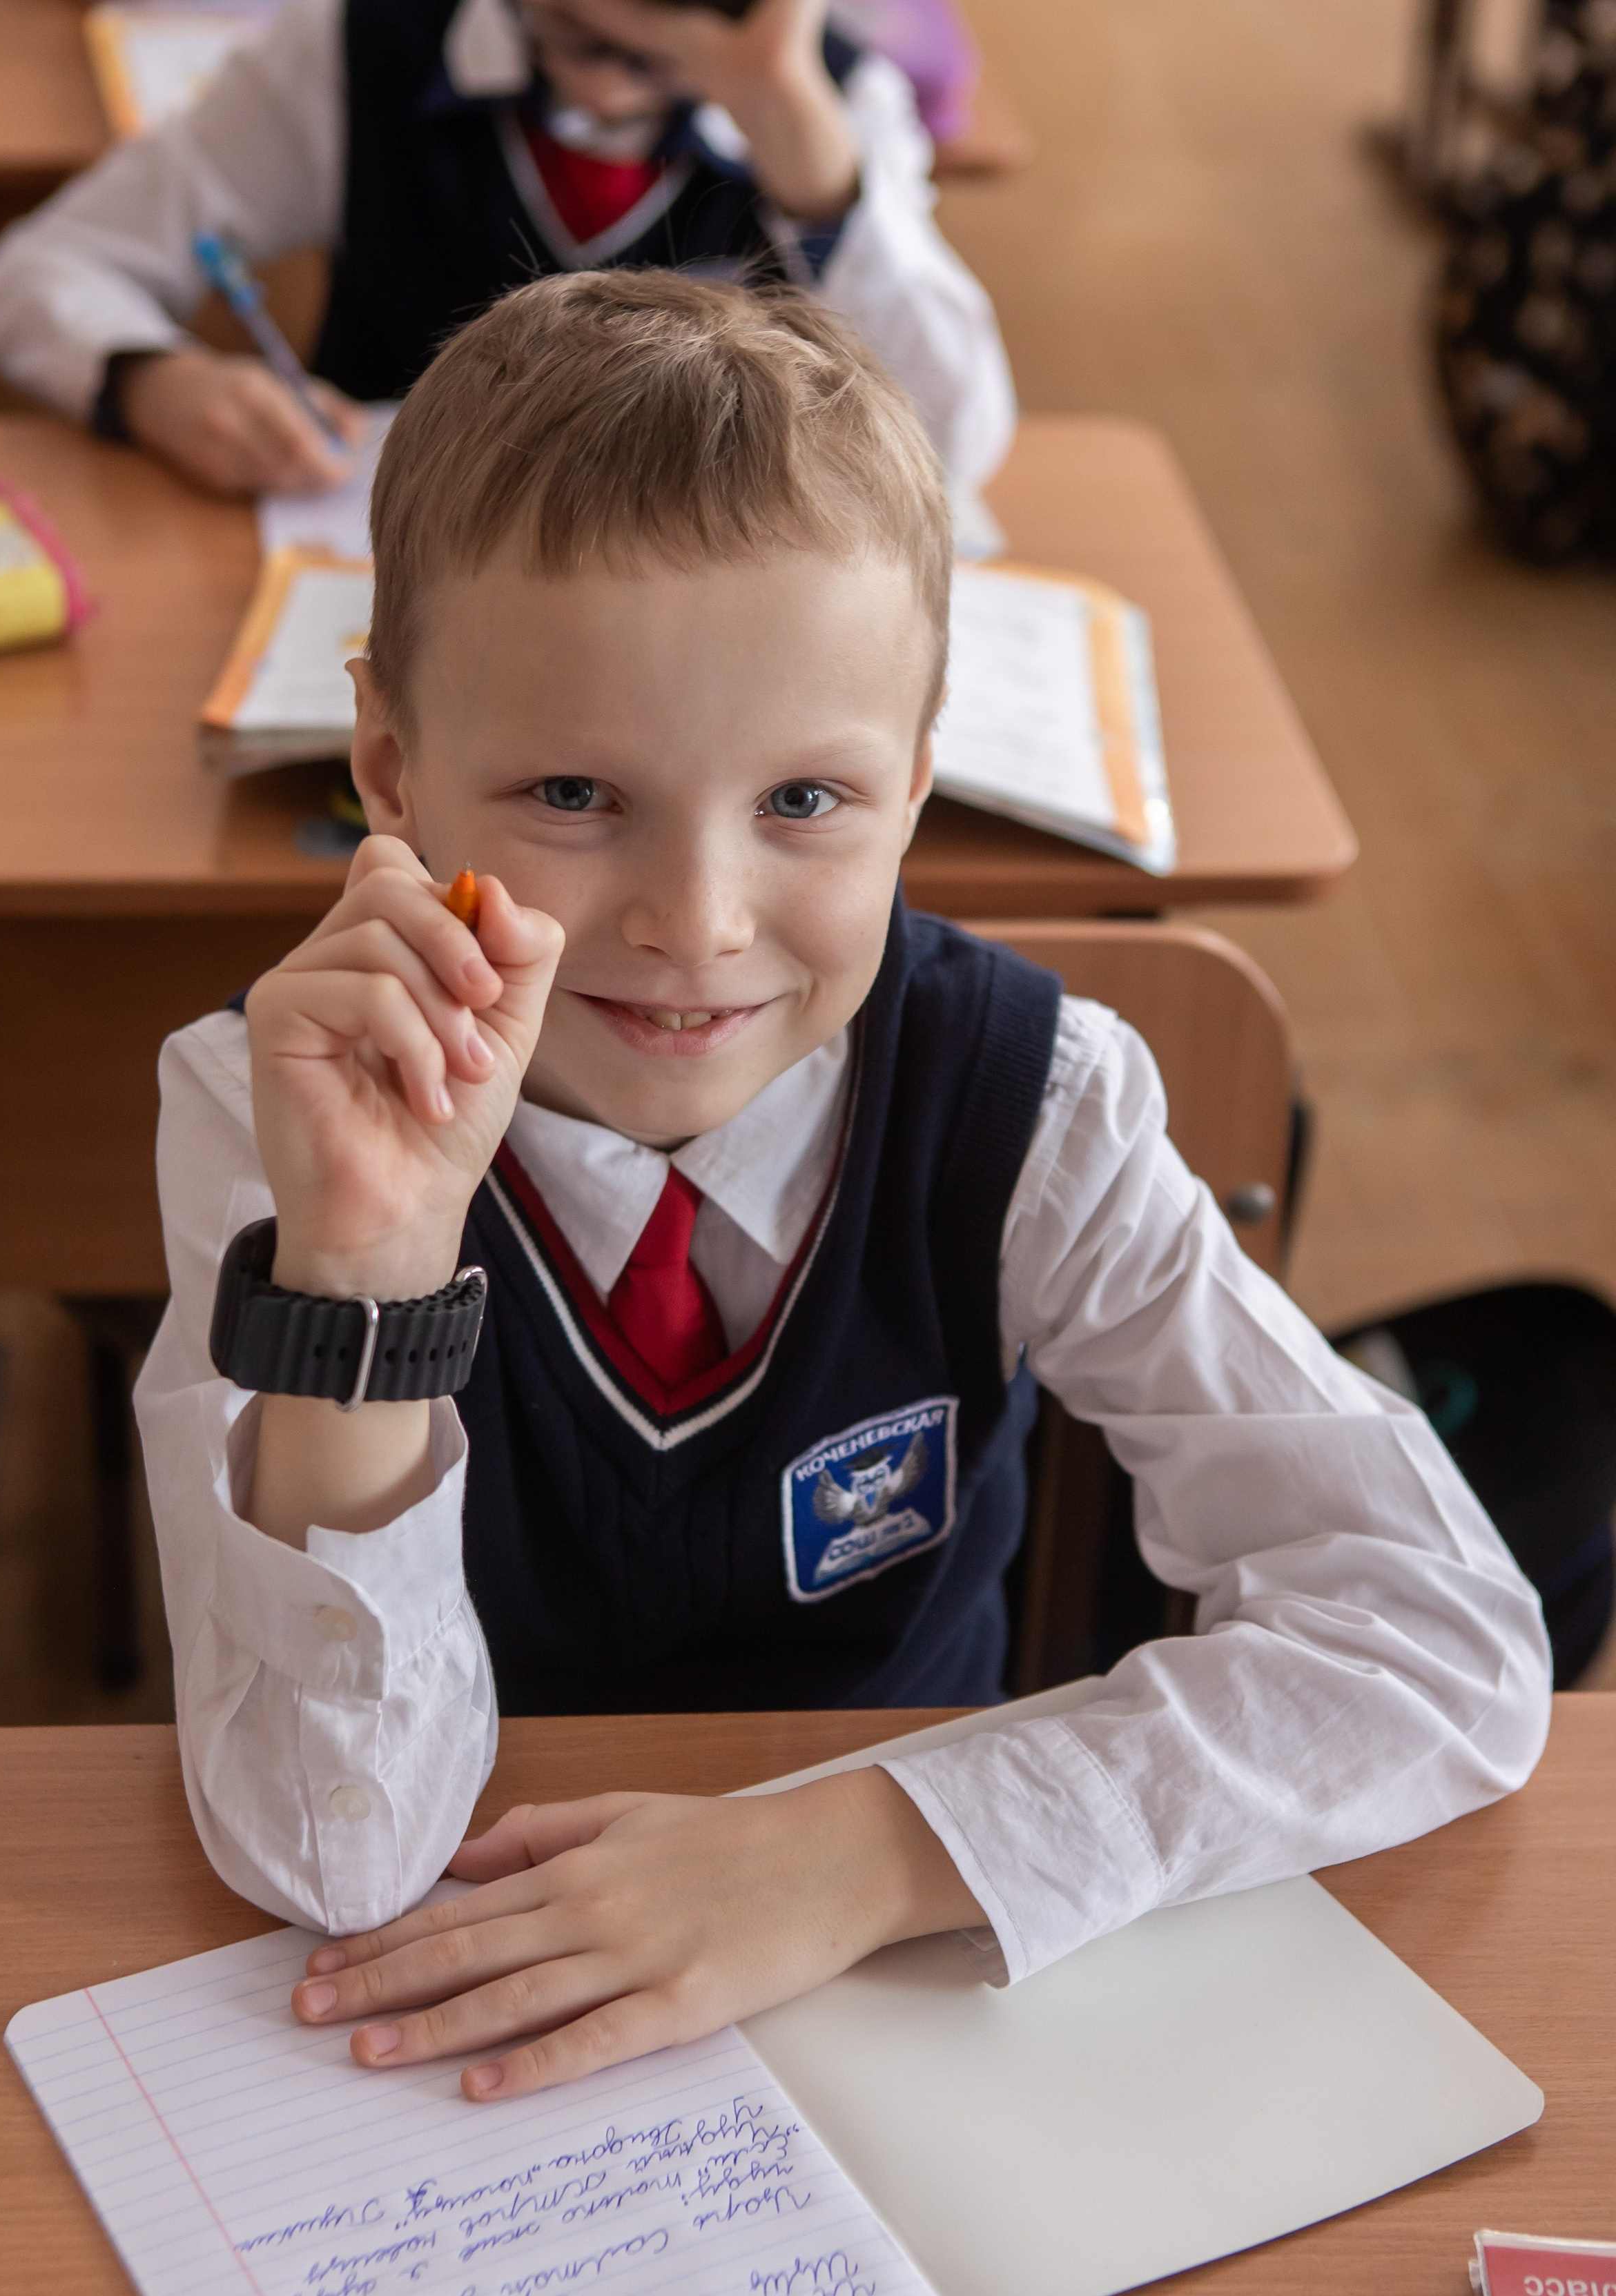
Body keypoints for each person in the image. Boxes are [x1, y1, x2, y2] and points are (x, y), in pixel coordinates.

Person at [135, 271, 1550, 2106]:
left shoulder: (1032, 1097)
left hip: (928, 1976)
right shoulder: (276, 1108)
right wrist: (370, 1268)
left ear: (917, 787)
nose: (696, 922)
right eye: (576, 789)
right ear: (392, 768)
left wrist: (866, 1848)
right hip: (460, 2026)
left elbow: (1441, 1640)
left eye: (807, 800)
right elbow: (329, 1859)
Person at [0, 0, 1013, 502]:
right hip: (389, 565)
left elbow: (955, 441)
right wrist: (157, 380)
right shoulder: (357, 54)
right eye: (570, 35)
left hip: (700, 587)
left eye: (654, 59)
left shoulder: (832, 104)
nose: (603, 93)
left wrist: (791, 124)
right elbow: (42, 272)